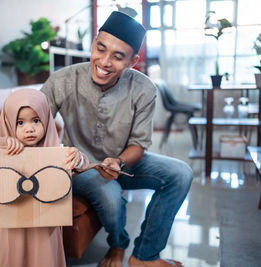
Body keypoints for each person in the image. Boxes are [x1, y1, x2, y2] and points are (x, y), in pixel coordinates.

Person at [41, 11, 193, 267]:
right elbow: (32, 119)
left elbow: (139, 144)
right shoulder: (62, 80)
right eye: (100, 49)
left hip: (123, 162)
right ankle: (118, 244)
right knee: (108, 191)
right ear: (93, 44)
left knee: (181, 173)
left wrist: (119, 162)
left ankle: (144, 256)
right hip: (80, 166)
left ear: (132, 62)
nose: (104, 61)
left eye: (118, 56)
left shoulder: (144, 89)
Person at [0, 88, 89, 267]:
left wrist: (77, 156)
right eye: (20, 122)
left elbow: (84, 164)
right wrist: (2, 142)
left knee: (44, 258)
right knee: (11, 256)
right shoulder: (3, 149)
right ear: (8, 123)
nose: (29, 129)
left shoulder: (54, 149)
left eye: (36, 120)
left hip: (46, 224)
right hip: (9, 223)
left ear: (46, 120)